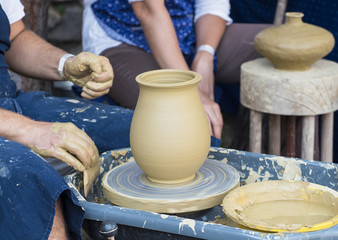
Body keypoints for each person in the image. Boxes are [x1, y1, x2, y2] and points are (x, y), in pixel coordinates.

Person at [0, 1, 133, 239]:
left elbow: (15, 36)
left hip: (6, 99)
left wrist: (66, 65)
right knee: (28, 184)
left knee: (135, 135)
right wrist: (24, 128)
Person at [82, 0, 270, 141]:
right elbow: (148, 10)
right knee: (182, 111)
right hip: (122, 36)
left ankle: (278, 166)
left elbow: (212, 4)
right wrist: (190, 88)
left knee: (285, 50)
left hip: (185, 28)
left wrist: (205, 53)